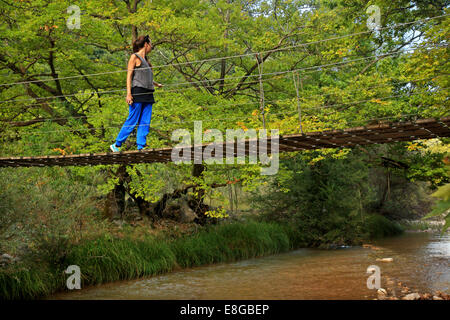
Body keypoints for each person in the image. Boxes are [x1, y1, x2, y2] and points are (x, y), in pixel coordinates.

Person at [110, 35, 163, 152]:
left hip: (149, 93)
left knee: (145, 121)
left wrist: (156, 84)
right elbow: (129, 76)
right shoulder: (134, 57)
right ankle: (117, 144)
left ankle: (141, 146)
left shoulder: (147, 62)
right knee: (133, 119)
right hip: (137, 92)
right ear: (146, 44)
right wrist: (128, 94)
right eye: (151, 44)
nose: (151, 47)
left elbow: (145, 77)